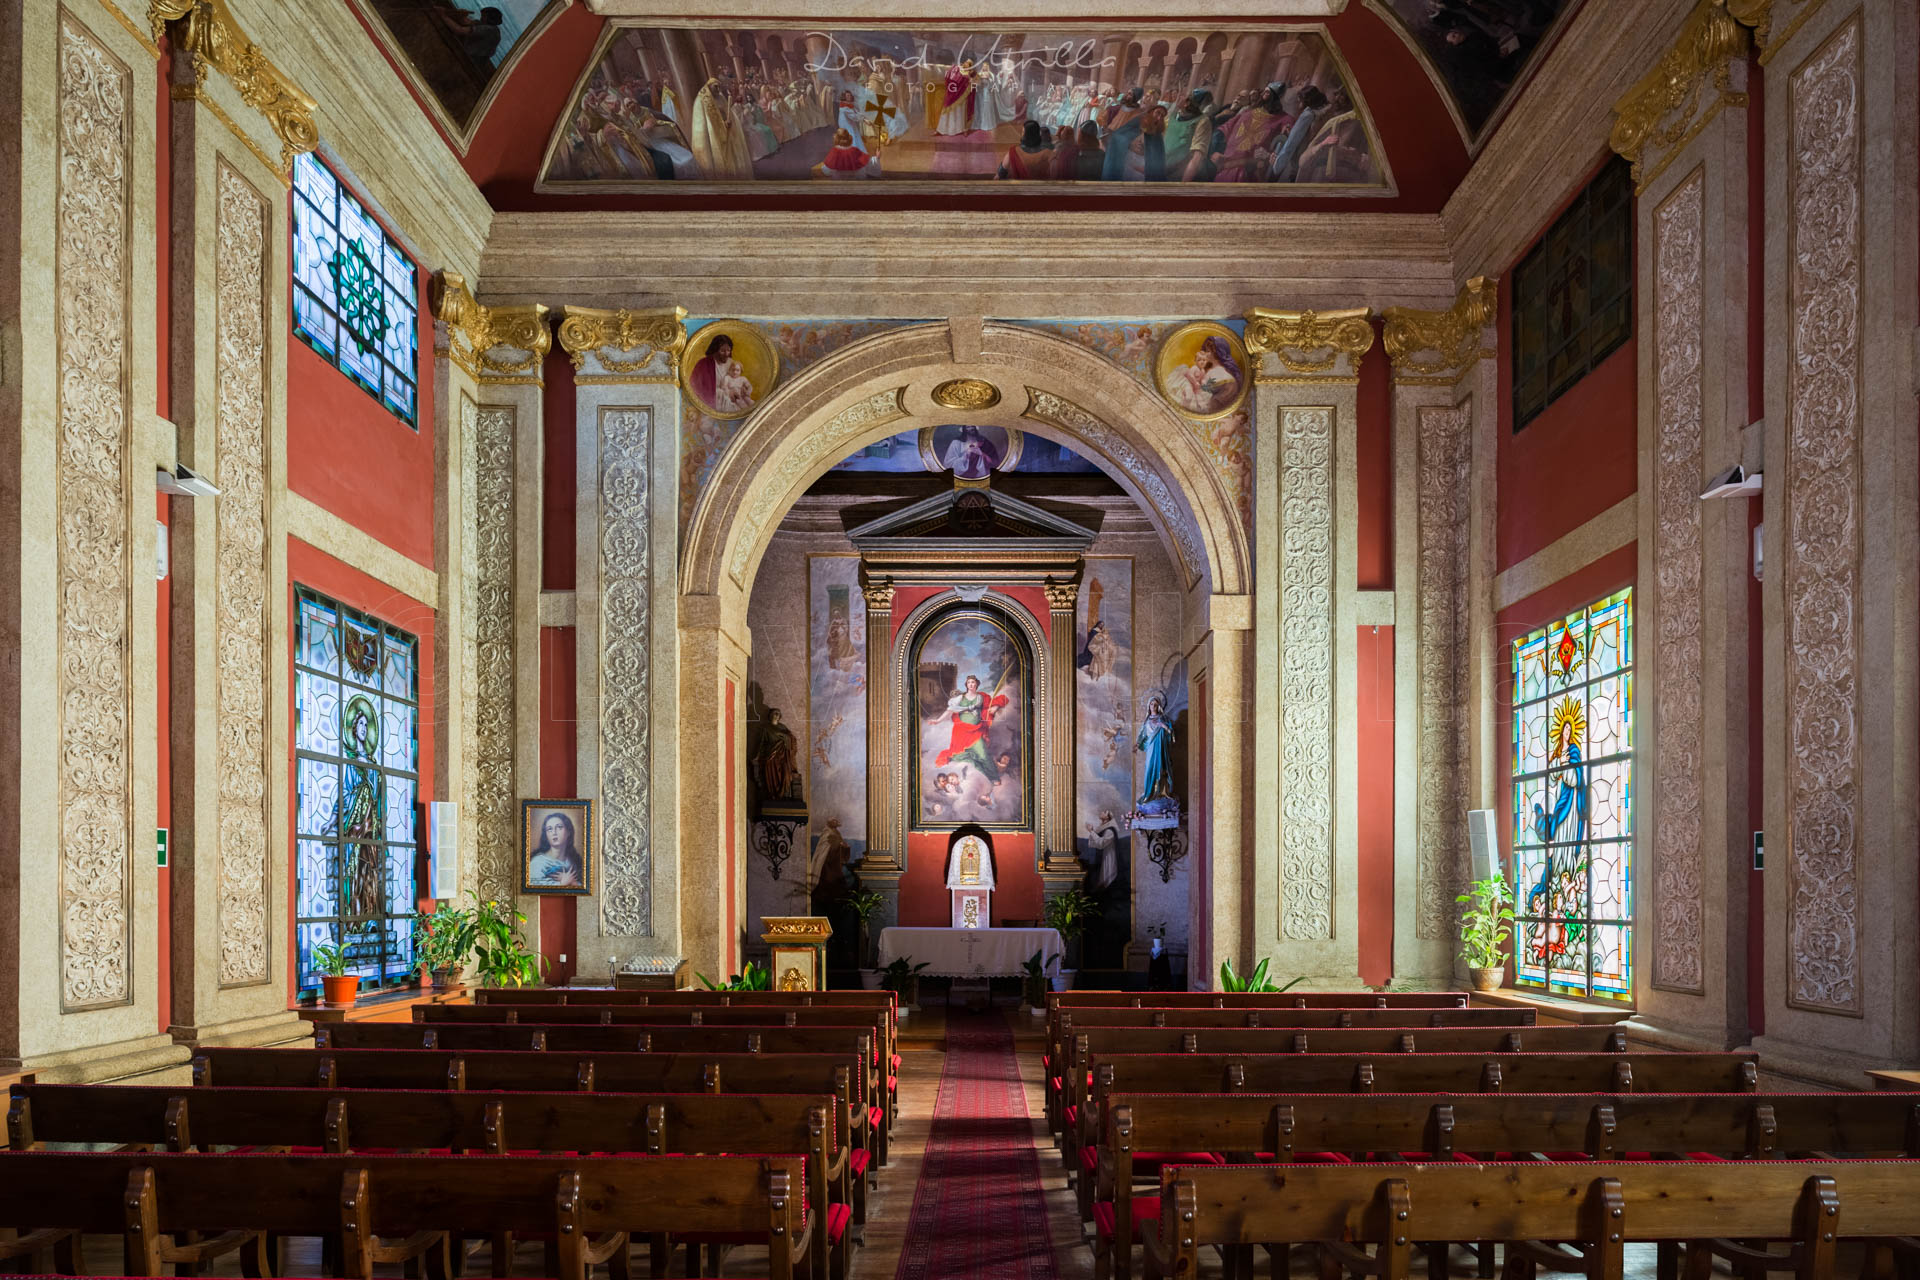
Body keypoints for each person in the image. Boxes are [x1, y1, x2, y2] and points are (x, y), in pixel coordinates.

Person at [1211, 81, 1292, 182]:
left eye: (1267, 93)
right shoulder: (1247, 112)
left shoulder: (1284, 118)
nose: (1263, 94)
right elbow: (1226, 127)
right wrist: (1214, 146)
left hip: (1251, 170)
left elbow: (1286, 137)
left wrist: (1286, 131)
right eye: (1264, 92)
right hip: (1226, 166)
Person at [935, 674, 1009, 781]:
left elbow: (996, 702)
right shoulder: (960, 698)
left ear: (977, 684)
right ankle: (979, 779)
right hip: (961, 733)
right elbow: (950, 710)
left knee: (983, 755)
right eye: (969, 682)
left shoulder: (982, 697)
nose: (971, 684)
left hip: (976, 731)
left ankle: (994, 778)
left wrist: (995, 707)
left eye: (973, 682)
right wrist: (938, 721)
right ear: (966, 684)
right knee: (961, 755)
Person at [689, 78, 753, 180]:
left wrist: (729, 122)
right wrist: (722, 124)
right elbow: (709, 122)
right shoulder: (702, 100)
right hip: (714, 135)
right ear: (709, 86)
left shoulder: (720, 97)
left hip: (727, 131)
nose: (718, 89)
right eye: (715, 86)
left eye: (719, 86)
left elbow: (728, 113)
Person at [1266, 83, 1329, 182]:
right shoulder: (1319, 114)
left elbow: (1291, 144)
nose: (1298, 100)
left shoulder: (1308, 115)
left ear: (1307, 100)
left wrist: (1277, 164)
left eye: (1300, 98)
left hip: (1296, 162)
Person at [1168, 334, 1243, 416]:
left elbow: (1212, 404)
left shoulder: (1225, 376)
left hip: (1201, 404)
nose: (1205, 354)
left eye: (1208, 351)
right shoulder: (1205, 369)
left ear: (1216, 353)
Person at [688, 333, 755, 415]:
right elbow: (695, 388)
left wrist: (743, 390)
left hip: (735, 399)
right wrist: (726, 393)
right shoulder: (703, 364)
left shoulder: (731, 363)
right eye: (722, 351)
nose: (726, 354)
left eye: (728, 350)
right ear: (714, 350)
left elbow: (737, 380)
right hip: (715, 401)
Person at [1161, 89, 1213, 182]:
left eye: (1182, 96)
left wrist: (1183, 185)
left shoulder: (1202, 121)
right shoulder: (1174, 116)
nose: (1178, 97)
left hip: (1179, 174)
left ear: (1187, 103)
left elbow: (1197, 157)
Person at [1135, 695, 1175, 805]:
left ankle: (1161, 793)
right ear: (1149, 706)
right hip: (1151, 749)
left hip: (1161, 749)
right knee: (1149, 769)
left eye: (1156, 704)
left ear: (1159, 706)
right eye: (1152, 704)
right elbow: (1143, 735)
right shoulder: (1147, 720)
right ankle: (1150, 794)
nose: (1154, 706)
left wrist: (1163, 726)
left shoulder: (1163, 719)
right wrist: (1137, 745)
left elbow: (1171, 733)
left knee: (1161, 769)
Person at [527, 811, 584, 888]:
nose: (554, 832)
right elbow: (533, 890)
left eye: (559, 827)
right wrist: (562, 884)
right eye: (549, 829)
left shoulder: (573, 862)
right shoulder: (537, 863)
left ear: (568, 832)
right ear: (546, 835)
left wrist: (574, 883)